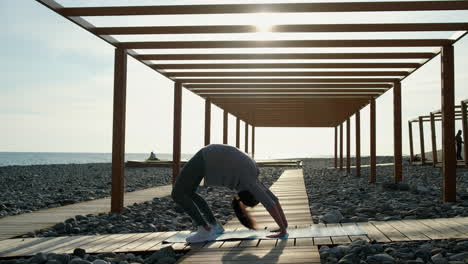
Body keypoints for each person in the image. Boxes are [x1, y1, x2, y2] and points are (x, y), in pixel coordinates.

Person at [171, 144, 288, 243]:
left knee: (182, 192)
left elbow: (272, 199)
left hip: (209, 155)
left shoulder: (251, 175)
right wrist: (283, 230)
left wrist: (284, 226)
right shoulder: (248, 181)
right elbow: (269, 202)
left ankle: (207, 229)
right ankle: (210, 228)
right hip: (207, 157)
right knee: (179, 193)